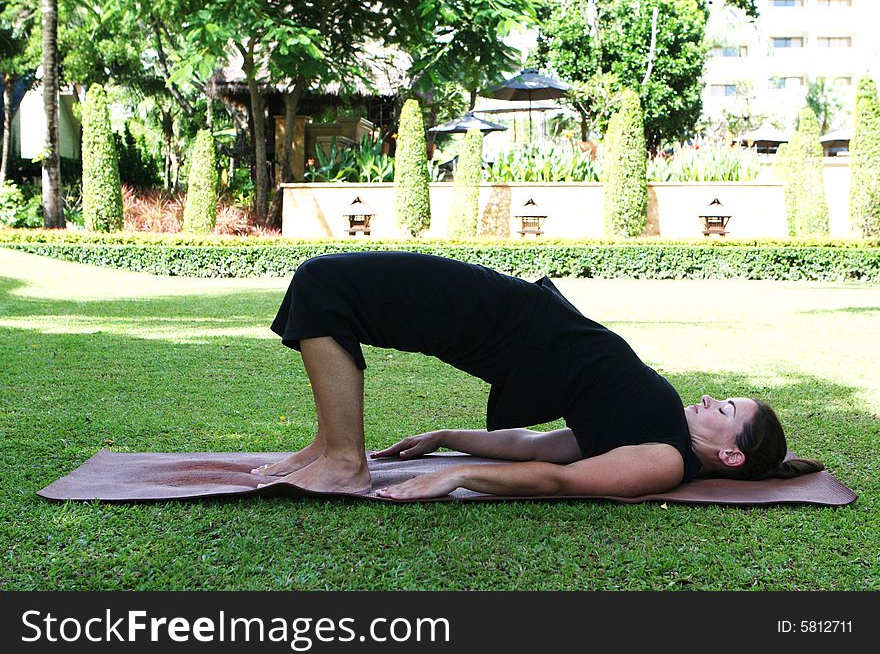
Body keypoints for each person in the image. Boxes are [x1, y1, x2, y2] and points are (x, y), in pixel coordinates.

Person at [253, 251, 824, 499]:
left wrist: (459, 478)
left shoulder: (664, 460)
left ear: (731, 456)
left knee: (324, 283)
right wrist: (449, 440)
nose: (708, 399)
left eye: (725, 410)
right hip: (518, 324)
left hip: (508, 328)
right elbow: (543, 446)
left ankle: (346, 462)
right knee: (324, 285)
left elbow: (559, 481)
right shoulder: (650, 434)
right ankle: (331, 445)